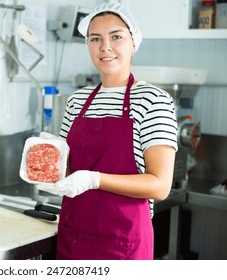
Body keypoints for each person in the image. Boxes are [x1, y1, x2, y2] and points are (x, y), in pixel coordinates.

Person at [37, 2, 178, 260]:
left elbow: (159, 186)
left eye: (116, 36)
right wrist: (46, 159)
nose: (105, 47)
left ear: (133, 42)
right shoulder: (76, 102)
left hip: (122, 244)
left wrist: (94, 179)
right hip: (74, 237)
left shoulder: (153, 100)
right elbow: (67, 172)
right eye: (95, 39)